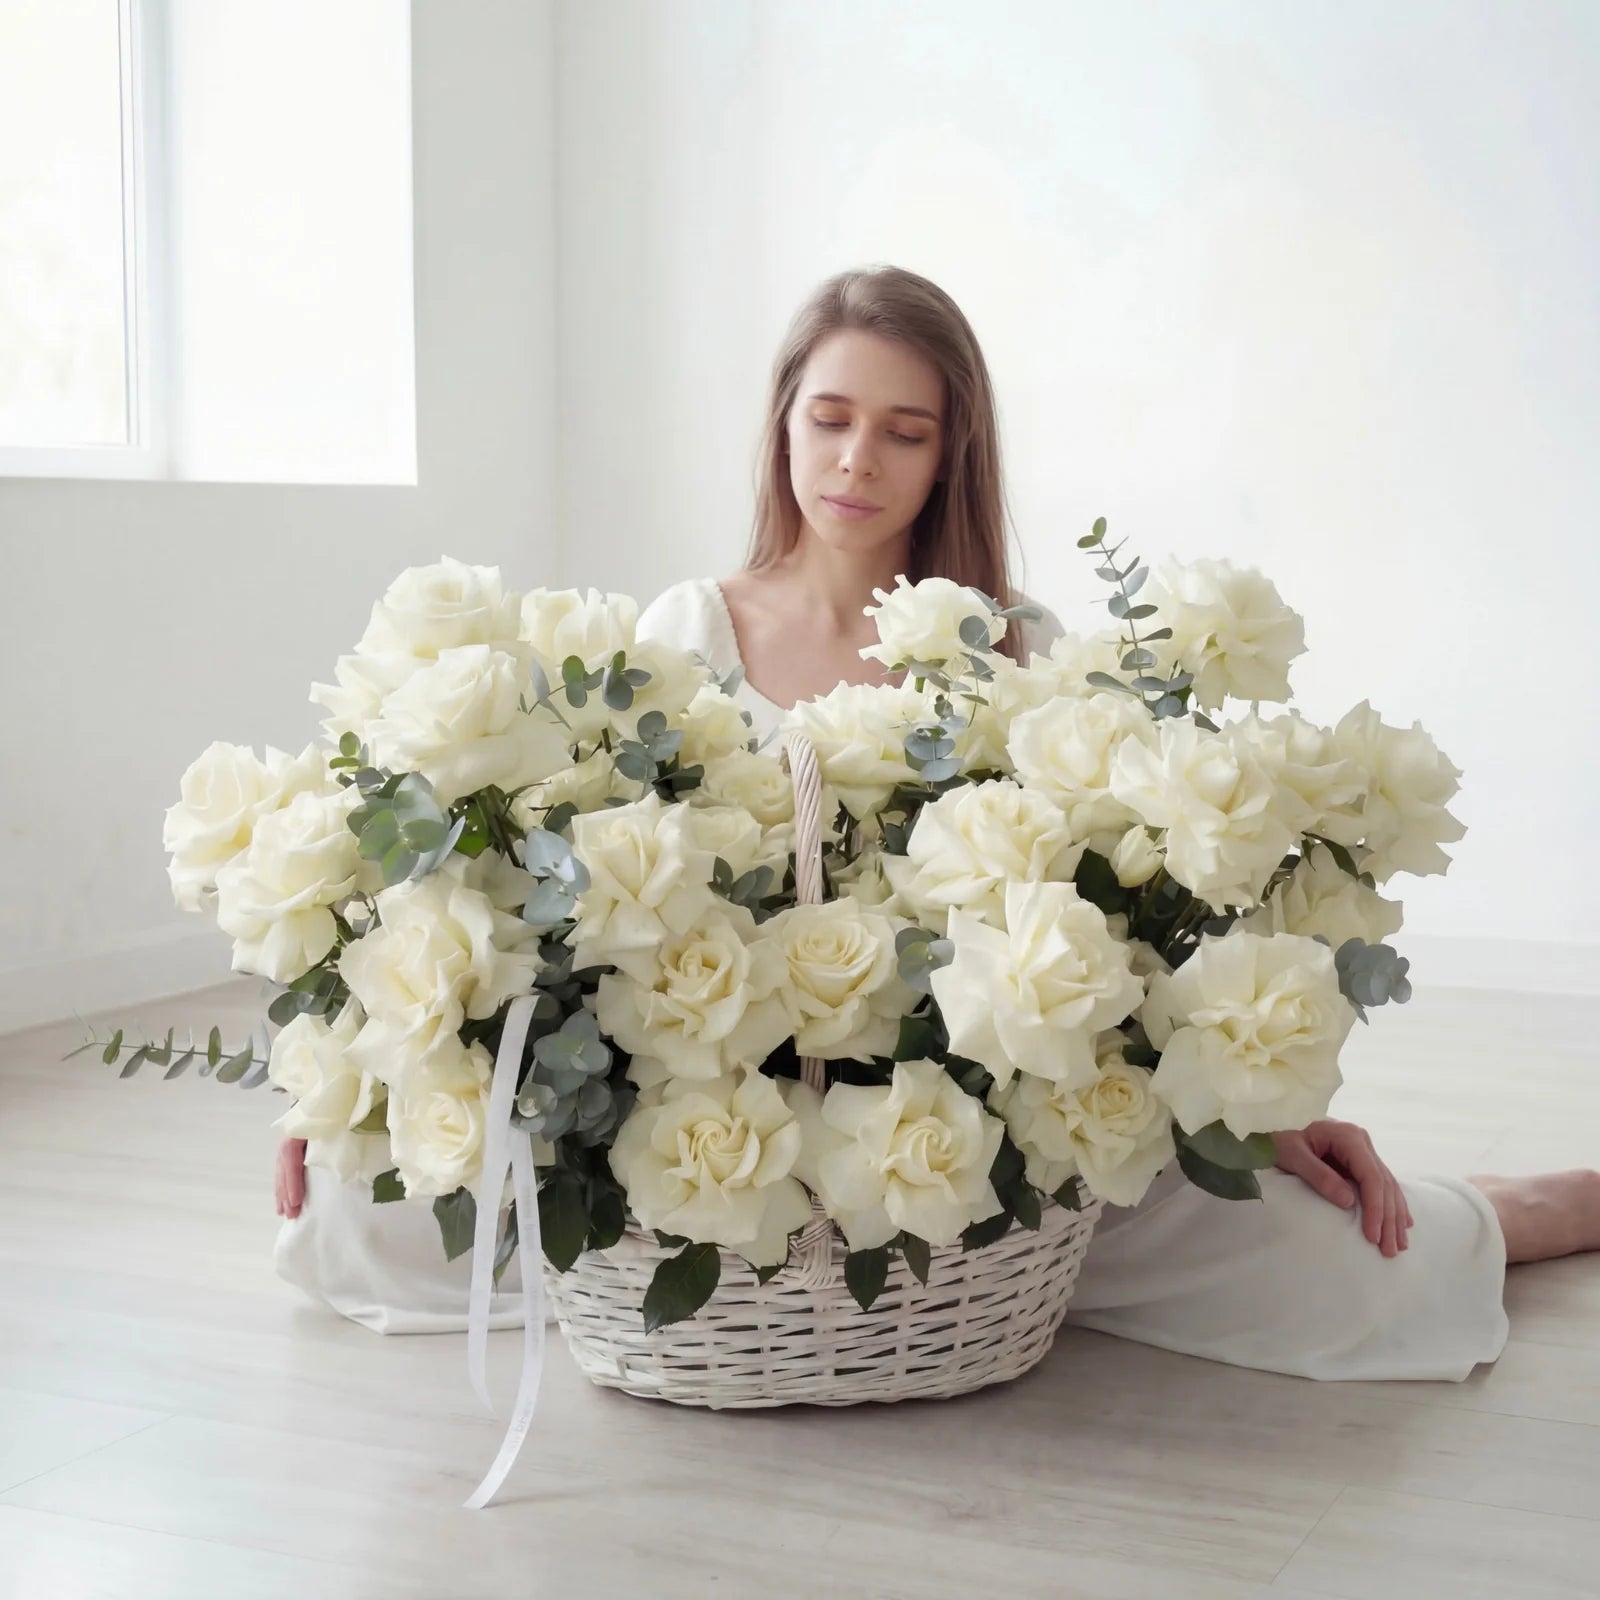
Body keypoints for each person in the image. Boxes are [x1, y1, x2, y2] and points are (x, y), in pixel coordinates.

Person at [275, 264, 1600, 1377]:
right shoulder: (680, 635)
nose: (858, 459)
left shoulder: (1020, 650)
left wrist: (1249, 1106)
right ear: (783, 425)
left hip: (973, 1121)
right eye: (831, 417)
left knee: (1347, 1266)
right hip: (714, 1103)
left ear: (951, 450)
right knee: (361, 1208)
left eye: (905, 431)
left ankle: (1519, 1204)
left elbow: (1118, 930)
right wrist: (376, 1073)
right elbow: (539, 897)